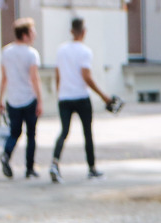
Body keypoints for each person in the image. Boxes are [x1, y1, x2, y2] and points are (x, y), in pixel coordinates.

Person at [50, 17, 118, 181]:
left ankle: (54, 163)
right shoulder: (85, 51)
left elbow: (57, 74)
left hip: (64, 97)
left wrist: (60, 92)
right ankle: (92, 168)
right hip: (81, 97)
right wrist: (103, 96)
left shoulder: (61, 50)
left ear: (71, 31)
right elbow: (87, 77)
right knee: (87, 132)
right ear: (84, 31)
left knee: (64, 131)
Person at [0, 18, 43, 179]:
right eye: (32, 32)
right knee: (31, 134)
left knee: (14, 132)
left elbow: (4, 78)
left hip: (13, 99)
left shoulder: (6, 52)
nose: (34, 35)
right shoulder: (31, 54)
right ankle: (29, 168)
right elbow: (34, 78)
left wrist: (0, 99)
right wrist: (40, 100)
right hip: (29, 98)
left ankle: (6, 154)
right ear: (25, 35)